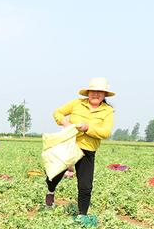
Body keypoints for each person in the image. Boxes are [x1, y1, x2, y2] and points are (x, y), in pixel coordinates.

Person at [44, 77, 115, 221]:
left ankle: (82, 216)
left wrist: (88, 128)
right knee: (54, 175)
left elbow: (106, 132)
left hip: (87, 151)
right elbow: (57, 112)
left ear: (104, 95)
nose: (96, 94)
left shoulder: (107, 111)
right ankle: (50, 192)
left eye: (99, 92)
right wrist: (64, 121)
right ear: (88, 92)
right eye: (93, 91)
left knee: (85, 186)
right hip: (69, 145)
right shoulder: (77, 103)